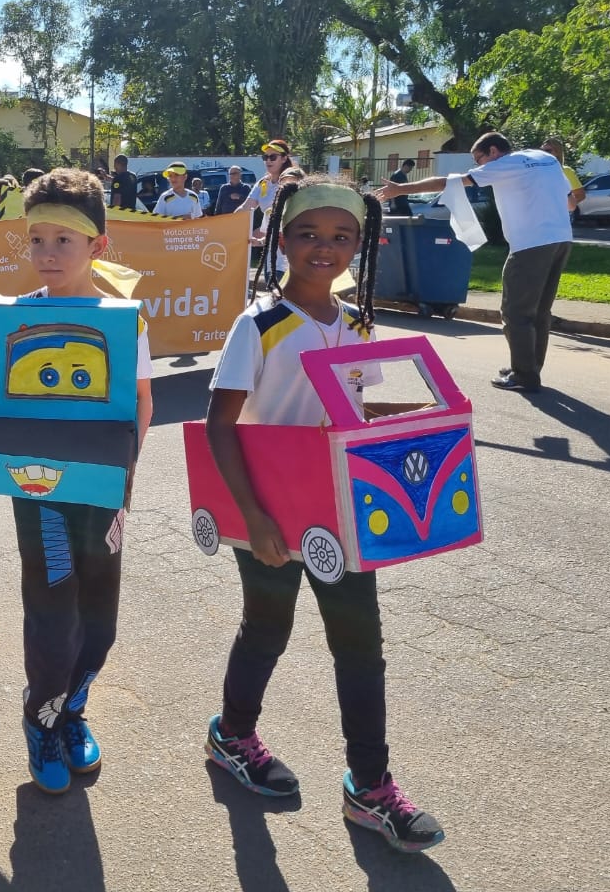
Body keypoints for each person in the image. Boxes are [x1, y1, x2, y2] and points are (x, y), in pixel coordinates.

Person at [202, 175, 445, 853]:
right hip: (270, 514)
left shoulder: (360, 322)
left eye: (341, 237)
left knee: (360, 647)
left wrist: (416, 420)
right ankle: (234, 736)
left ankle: (370, 787)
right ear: (282, 241)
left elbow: (352, 414)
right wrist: (253, 518)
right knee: (266, 630)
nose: (323, 248)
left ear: (359, 247)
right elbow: (221, 426)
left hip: (341, 512)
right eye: (308, 234)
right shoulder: (258, 326)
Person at [15, 169, 154, 794]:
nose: (47, 253)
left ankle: (72, 708)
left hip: (104, 489)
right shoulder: (12, 318)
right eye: (36, 238)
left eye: (62, 240)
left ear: (98, 245)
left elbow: (141, 403)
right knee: (52, 612)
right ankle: (40, 717)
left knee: (100, 612)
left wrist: (124, 475)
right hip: (37, 488)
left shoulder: (127, 320)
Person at [378, 132, 573, 392]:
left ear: (493, 151)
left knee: (516, 312)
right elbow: (571, 203)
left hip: (530, 244)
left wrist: (401, 189)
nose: (479, 166)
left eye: (478, 159)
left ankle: (525, 375)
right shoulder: (544, 159)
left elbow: (450, 182)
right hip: (561, 239)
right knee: (539, 311)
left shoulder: (503, 164)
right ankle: (527, 366)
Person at [241, 140, 298, 277]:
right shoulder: (262, 183)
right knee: (274, 293)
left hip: (294, 257)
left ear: (284, 158)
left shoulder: (295, 182)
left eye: (273, 157)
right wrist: (222, 226)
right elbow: (245, 208)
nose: (268, 161)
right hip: (272, 257)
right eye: (265, 157)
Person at [539, 137, 586, 212]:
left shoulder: (566, 171)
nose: (545, 154)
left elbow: (580, 195)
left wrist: (561, 208)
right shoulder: (536, 170)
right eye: (542, 151)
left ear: (557, 152)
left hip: (560, 216)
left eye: (548, 151)